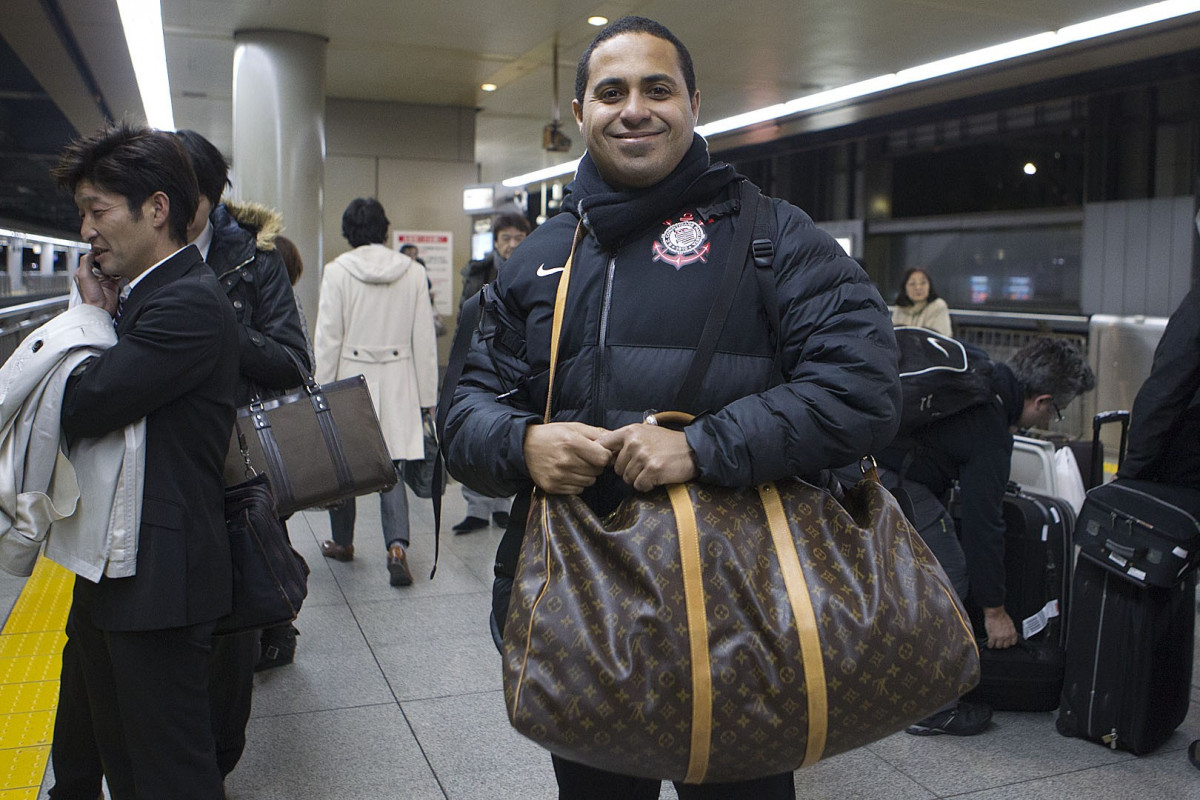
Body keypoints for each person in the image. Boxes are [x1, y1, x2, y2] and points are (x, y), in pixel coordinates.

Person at [443, 16, 901, 799]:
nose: (635, 109)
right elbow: (461, 413)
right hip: (582, 604)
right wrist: (520, 443)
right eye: (611, 92)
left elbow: (862, 388)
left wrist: (703, 446)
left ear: (694, 102)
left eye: (658, 89)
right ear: (580, 111)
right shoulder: (539, 260)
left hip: (742, 609)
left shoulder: (775, 238)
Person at [50, 122, 239, 799]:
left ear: (155, 209)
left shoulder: (186, 301)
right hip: (121, 568)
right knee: (127, 764)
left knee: (170, 774)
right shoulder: (152, 295)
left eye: (97, 211)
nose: (86, 231)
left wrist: (90, 319)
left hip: (160, 578)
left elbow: (84, 402)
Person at [875, 337, 1094, 736]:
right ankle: (934, 710)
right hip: (887, 474)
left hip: (862, 457)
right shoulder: (991, 427)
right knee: (948, 574)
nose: (1049, 420)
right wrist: (995, 612)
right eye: (1056, 412)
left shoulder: (980, 371)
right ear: (1041, 400)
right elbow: (984, 525)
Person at [315, 198, 438, 586]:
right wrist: (427, 398)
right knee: (393, 469)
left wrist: (320, 390)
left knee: (345, 466)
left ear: (348, 232)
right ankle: (397, 546)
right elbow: (424, 339)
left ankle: (343, 542)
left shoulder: (337, 272)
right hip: (400, 376)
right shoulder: (413, 271)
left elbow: (328, 338)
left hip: (351, 380)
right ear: (385, 231)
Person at [450, 211, 531, 534]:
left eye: (518, 238)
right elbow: (464, 314)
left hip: (518, 364)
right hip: (479, 359)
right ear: (496, 241)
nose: (512, 245)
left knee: (510, 429)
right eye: (506, 238)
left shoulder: (535, 267)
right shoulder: (479, 272)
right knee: (478, 429)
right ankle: (476, 509)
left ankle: (502, 506)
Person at [891, 267, 953, 335]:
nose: (918, 287)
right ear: (905, 288)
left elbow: (942, 338)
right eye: (912, 284)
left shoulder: (938, 306)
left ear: (929, 286)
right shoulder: (899, 308)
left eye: (923, 283)